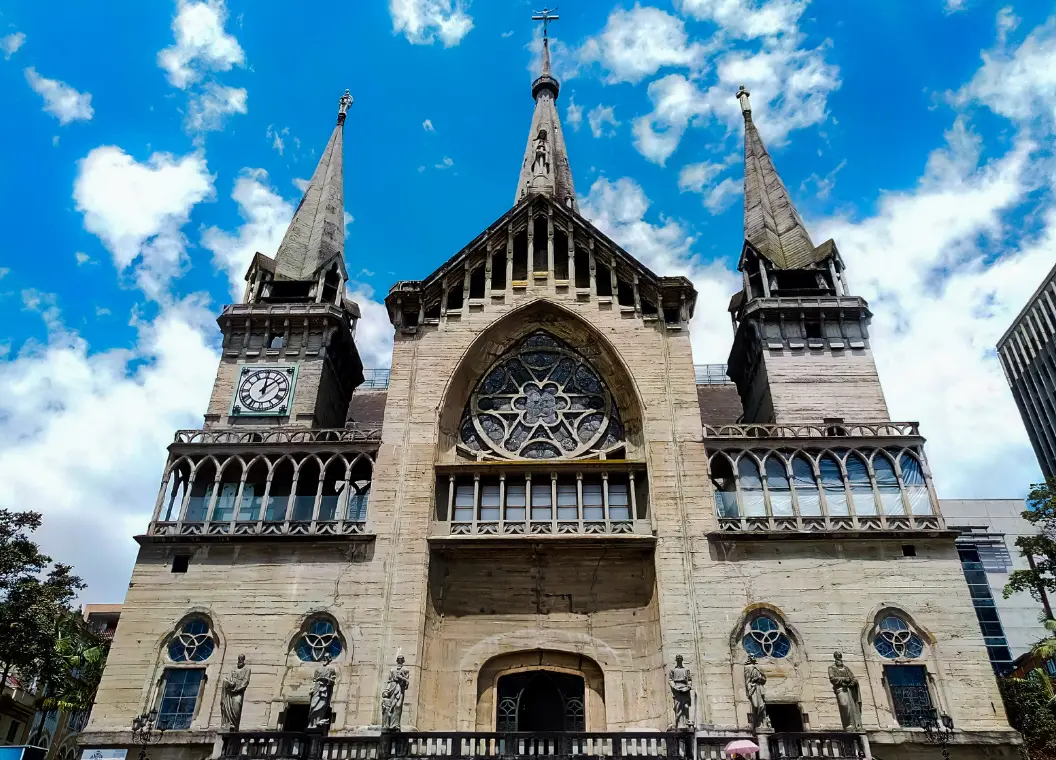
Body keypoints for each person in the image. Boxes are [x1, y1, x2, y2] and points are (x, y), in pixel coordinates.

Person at [828, 652, 863, 732]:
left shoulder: (846, 668)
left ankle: (856, 725)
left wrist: (853, 682)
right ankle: (848, 724)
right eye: (837, 657)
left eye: (839, 657)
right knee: (844, 705)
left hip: (850, 690)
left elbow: (853, 678)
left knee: (853, 707)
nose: (838, 658)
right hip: (840, 689)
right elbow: (832, 679)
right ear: (835, 658)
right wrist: (843, 679)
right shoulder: (832, 668)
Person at [220, 654, 251, 731]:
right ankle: (228, 724)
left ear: (243, 659)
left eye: (241, 659)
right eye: (239, 659)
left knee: (237, 704)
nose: (240, 660)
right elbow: (228, 677)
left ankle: (234, 724)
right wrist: (228, 683)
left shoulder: (247, 669)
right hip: (230, 690)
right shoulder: (233, 668)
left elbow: (246, 681)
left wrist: (238, 688)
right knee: (227, 707)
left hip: (238, 691)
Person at [380, 654, 410, 730]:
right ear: (397, 660)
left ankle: (396, 724)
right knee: (390, 705)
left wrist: (403, 680)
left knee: (398, 706)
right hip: (393, 687)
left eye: (401, 659)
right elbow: (389, 681)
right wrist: (386, 690)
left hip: (400, 687)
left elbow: (407, 683)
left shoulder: (406, 670)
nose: (400, 660)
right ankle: (389, 724)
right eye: (399, 659)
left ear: (403, 660)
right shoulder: (392, 669)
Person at [307, 654, 337, 730]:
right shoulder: (318, 669)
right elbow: (314, 680)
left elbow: (332, 680)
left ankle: (318, 722)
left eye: (328, 658)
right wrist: (312, 688)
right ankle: (311, 724)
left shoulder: (331, 669)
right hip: (317, 687)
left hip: (325, 688)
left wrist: (327, 679)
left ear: (330, 659)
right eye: (325, 658)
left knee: (322, 705)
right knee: (313, 705)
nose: (326, 659)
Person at [744, 655, 771, 731]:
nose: (753, 657)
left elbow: (764, 678)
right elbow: (747, 680)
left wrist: (759, 679)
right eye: (751, 656)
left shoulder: (758, 667)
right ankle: (756, 723)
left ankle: (762, 723)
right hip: (753, 688)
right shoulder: (747, 668)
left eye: (753, 656)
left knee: (762, 706)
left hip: (759, 687)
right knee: (755, 705)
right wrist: (750, 688)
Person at [668, 655, 693, 729]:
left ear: (682, 660)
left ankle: (687, 722)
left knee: (686, 707)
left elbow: (689, 680)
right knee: (678, 708)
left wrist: (688, 687)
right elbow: (670, 680)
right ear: (676, 660)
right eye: (678, 659)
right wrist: (674, 687)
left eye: (680, 659)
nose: (679, 660)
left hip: (685, 690)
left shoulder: (686, 669)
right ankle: (677, 723)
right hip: (677, 690)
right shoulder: (673, 669)